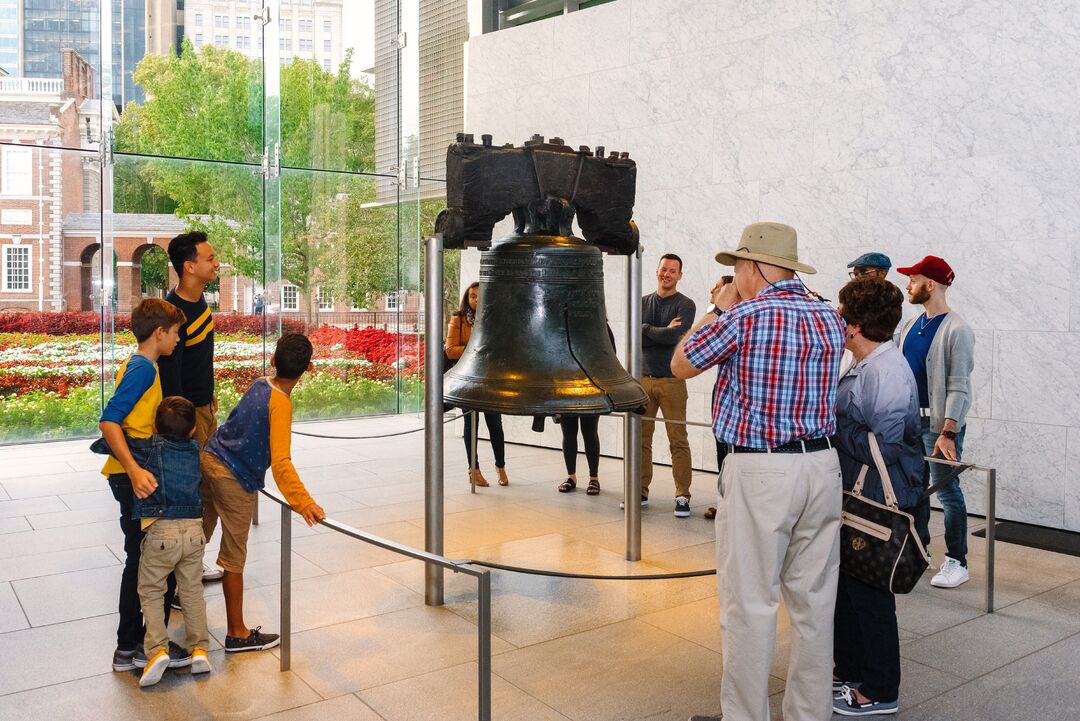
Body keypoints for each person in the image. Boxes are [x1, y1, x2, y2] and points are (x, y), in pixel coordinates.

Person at [674, 222, 846, 721]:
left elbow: (683, 362)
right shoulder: (828, 316)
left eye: (736, 269)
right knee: (814, 605)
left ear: (751, 267)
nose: (733, 276)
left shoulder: (744, 316)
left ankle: (745, 717)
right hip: (822, 465)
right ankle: (809, 715)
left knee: (749, 604)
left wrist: (719, 305)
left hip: (761, 471)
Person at [831, 277, 925, 717]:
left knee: (871, 598)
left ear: (853, 324)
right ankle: (850, 672)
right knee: (851, 590)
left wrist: (833, 426)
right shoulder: (864, 363)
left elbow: (886, 447)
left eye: (841, 310)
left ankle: (881, 691)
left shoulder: (886, 370)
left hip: (878, 501)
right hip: (858, 496)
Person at [201, 333, 327, 652]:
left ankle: (171, 597)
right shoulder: (281, 403)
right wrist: (304, 503)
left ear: (272, 361)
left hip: (210, 459)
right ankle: (236, 633)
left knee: (196, 536)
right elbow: (281, 462)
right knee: (233, 558)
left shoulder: (260, 383)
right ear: (308, 368)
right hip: (234, 478)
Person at [99, 298, 190, 673]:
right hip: (132, 477)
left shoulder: (142, 366)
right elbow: (109, 422)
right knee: (147, 564)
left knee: (144, 560)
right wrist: (136, 471)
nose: (178, 340)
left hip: (131, 474)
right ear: (159, 332)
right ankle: (137, 645)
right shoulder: (142, 369)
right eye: (175, 333)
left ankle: (136, 643)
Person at [897, 255, 975, 589]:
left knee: (947, 493)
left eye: (912, 280)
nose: (907, 285)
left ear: (930, 284)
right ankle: (919, 550)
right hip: (910, 423)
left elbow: (960, 385)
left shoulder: (958, 329)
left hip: (939, 428)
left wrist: (948, 432)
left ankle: (958, 562)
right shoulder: (911, 325)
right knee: (914, 490)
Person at [158, 231, 225, 584]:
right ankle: (183, 570)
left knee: (208, 490)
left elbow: (201, 361)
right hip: (187, 418)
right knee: (197, 493)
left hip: (203, 409)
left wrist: (209, 395)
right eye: (209, 258)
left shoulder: (201, 306)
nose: (216, 263)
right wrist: (184, 424)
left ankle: (191, 560)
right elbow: (171, 376)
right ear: (189, 266)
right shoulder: (174, 313)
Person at [133, 397, 212, 687]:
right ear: (193, 431)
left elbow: (105, 444)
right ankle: (200, 648)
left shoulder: (150, 448)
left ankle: (156, 650)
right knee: (191, 592)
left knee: (152, 591)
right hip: (194, 531)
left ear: (154, 426)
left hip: (161, 532)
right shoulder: (193, 448)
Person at [639, 253, 696, 517]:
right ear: (657, 271)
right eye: (663, 269)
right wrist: (658, 331)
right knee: (640, 439)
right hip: (643, 380)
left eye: (672, 271)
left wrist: (648, 329)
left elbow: (676, 336)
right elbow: (636, 337)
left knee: (678, 440)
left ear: (679, 276)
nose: (667, 274)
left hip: (673, 381)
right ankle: (639, 490)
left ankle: (682, 495)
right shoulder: (641, 302)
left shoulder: (686, 304)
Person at [445, 282, 509, 488]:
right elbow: (450, 350)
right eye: (472, 296)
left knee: (495, 426)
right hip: (468, 379)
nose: (476, 300)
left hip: (490, 379)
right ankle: (474, 470)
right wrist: (477, 350)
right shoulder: (459, 319)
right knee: (470, 425)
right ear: (467, 298)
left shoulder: (494, 320)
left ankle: (501, 467)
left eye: (480, 296)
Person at [557, 325, 617, 496]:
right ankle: (571, 477)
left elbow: (610, 355)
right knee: (568, 433)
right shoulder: (566, 326)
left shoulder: (601, 327)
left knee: (589, 432)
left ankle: (594, 478)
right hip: (568, 386)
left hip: (591, 387)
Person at [702, 275, 732, 522]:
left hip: (733, 404)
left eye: (718, 286)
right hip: (722, 398)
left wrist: (718, 310)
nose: (713, 289)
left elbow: (691, 354)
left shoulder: (731, 320)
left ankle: (729, 505)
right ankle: (724, 503)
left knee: (729, 456)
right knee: (722, 455)